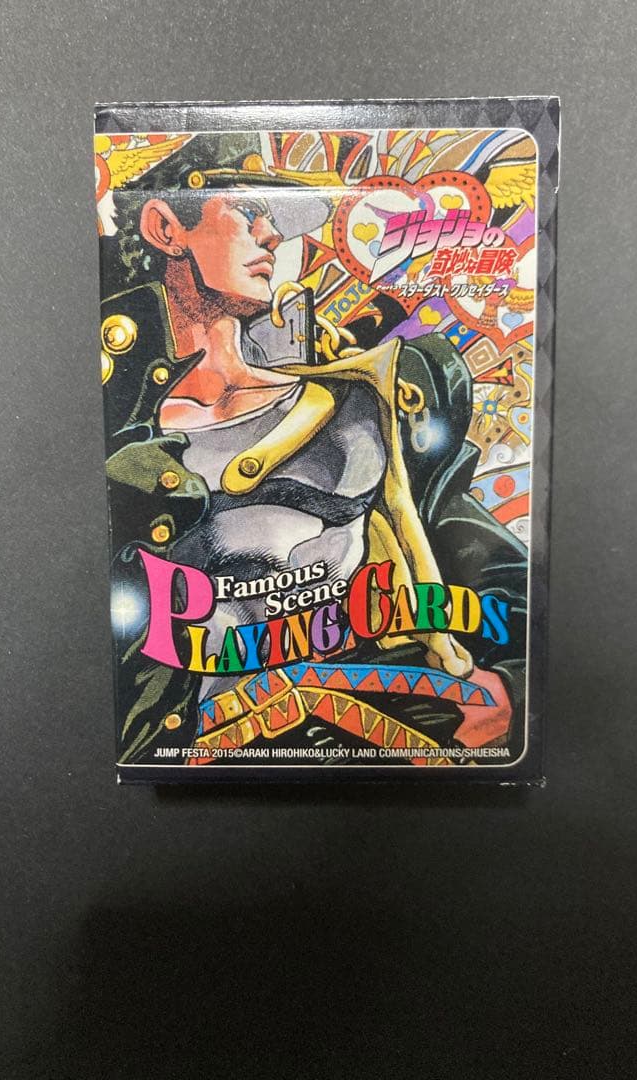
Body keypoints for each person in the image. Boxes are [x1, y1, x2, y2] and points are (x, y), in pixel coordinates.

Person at [99, 133, 528, 768]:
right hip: (217, 749)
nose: (272, 236)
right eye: (248, 212)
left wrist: (514, 687)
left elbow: (477, 551)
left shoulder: (361, 397)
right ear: (166, 227)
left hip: (395, 726)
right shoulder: (124, 435)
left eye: (275, 221)